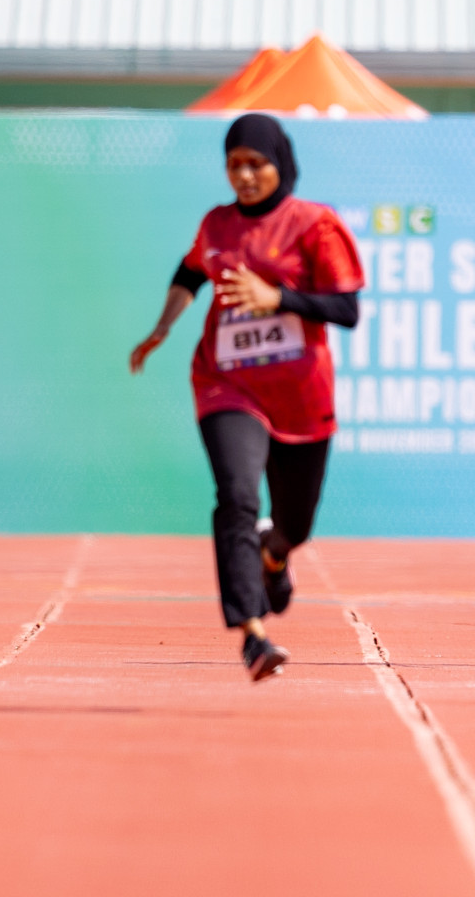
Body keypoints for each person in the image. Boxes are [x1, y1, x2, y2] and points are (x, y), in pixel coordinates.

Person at [129, 114, 363, 681]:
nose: (245, 175)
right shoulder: (217, 224)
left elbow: (347, 309)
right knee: (235, 495)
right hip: (225, 382)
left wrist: (276, 296)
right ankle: (253, 634)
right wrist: (162, 327)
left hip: (301, 398)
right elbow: (190, 272)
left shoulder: (314, 225)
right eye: (234, 165)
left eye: (256, 163)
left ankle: (275, 553)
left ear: (279, 162)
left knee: (296, 524)